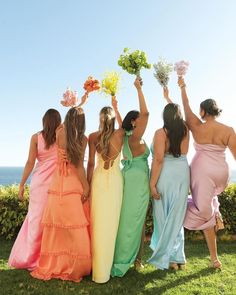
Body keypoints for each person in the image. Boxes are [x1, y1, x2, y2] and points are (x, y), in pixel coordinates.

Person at [178, 77, 236, 269]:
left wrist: (182, 85)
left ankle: (210, 216)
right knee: (208, 208)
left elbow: (185, 105)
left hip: (202, 174)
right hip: (221, 173)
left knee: (204, 212)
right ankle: (214, 259)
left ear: (203, 111)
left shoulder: (196, 125)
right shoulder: (228, 130)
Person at [31, 107, 91, 282]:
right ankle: (75, 265)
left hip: (59, 182)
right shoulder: (83, 139)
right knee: (75, 228)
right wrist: (86, 187)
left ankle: (57, 263)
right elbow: (79, 166)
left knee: (59, 228)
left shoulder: (60, 133)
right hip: (74, 183)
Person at [8, 109, 61, 270]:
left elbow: (30, 162)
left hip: (38, 183)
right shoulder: (62, 135)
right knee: (53, 221)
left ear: (44, 121)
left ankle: (31, 257)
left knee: (35, 221)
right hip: (56, 183)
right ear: (58, 120)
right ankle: (49, 257)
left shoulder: (35, 137)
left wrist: (22, 184)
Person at [111, 77, 150, 277]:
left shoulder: (126, 135)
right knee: (137, 220)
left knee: (127, 218)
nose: (143, 122)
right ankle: (133, 260)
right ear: (134, 122)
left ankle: (135, 258)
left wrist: (115, 108)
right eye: (139, 120)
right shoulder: (135, 136)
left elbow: (122, 122)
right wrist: (138, 88)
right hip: (139, 182)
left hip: (127, 177)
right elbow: (146, 112)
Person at [148, 87, 190, 270]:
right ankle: (177, 257)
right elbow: (176, 115)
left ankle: (168, 259)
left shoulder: (160, 133)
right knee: (176, 216)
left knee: (163, 215)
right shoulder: (185, 130)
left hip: (165, 173)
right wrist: (168, 98)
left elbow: (158, 160)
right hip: (182, 172)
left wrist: (152, 184)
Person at [87, 100, 124, 283]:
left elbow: (91, 164)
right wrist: (117, 108)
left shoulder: (93, 136)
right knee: (111, 224)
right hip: (116, 181)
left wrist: (87, 186)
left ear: (100, 119)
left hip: (99, 180)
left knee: (97, 223)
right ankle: (106, 269)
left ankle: (97, 269)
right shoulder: (120, 133)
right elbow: (124, 123)